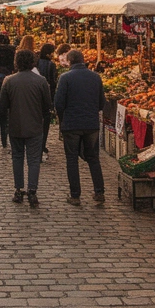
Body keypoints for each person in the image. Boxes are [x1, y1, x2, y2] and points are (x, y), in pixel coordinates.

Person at [0, 49, 53, 207]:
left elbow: (2, 107)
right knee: (34, 159)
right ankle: (32, 190)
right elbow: (47, 105)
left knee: (17, 157)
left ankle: (19, 189)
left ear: (17, 62)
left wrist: (5, 122)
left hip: (16, 125)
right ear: (32, 62)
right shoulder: (41, 81)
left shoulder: (9, 81)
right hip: (35, 126)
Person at [54, 49, 106, 206]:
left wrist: (62, 119)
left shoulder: (65, 78)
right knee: (93, 158)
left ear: (69, 61)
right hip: (91, 124)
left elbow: (59, 103)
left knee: (72, 159)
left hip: (71, 124)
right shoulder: (95, 77)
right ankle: (99, 192)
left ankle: (75, 195)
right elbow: (102, 102)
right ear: (83, 60)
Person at [35, 43, 59, 154]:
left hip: (35, 95)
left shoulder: (36, 63)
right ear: (49, 54)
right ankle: (42, 144)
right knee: (45, 121)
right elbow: (53, 82)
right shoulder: (51, 65)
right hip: (47, 95)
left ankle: (36, 142)